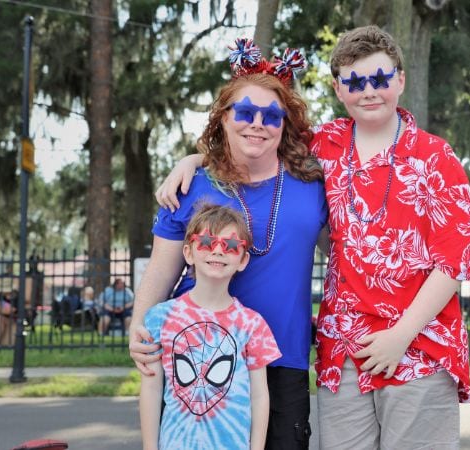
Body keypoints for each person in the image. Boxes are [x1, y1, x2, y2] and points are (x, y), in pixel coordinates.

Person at [158, 25, 470, 449]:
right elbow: (255, 138)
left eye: (380, 78)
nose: (369, 91)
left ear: (401, 80)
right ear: (338, 89)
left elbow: (455, 260)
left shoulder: (435, 157)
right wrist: (193, 159)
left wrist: (401, 335)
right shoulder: (324, 147)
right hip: (344, 351)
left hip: (419, 348)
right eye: (354, 81)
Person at [130, 39, 327, 449]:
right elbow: (162, 270)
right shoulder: (189, 186)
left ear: (285, 124)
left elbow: (349, 254)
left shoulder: (314, 186)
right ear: (223, 119)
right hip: (199, 356)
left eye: (272, 116)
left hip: (283, 360)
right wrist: (138, 325)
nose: (258, 123)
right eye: (245, 112)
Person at [139, 204, 281, 450]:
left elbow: (259, 397)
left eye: (231, 245)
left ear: (243, 259)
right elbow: (151, 389)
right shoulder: (160, 318)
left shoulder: (252, 324)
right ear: (189, 252)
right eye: (206, 241)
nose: (218, 250)